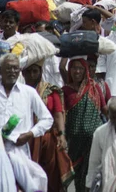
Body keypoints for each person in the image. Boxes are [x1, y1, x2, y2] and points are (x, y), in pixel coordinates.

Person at [0, 53, 53, 158]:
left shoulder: (29, 92)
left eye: (15, 68)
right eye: (8, 68)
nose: (12, 71)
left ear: (20, 71)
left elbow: (47, 119)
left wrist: (30, 134)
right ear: (0, 70)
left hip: (19, 151)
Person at [21, 56, 74, 191]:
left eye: (35, 71)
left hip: (47, 140)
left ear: (40, 72)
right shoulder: (19, 92)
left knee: (50, 177)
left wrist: (62, 135)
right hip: (25, 140)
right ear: (23, 73)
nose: (32, 75)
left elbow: (58, 114)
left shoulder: (50, 91)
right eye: (29, 72)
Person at [61, 56, 108, 192]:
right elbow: (61, 115)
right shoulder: (64, 90)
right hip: (74, 143)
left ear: (85, 70)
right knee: (76, 176)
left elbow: (104, 110)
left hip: (93, 141)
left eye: (80, 68)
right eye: (74, 68)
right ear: (69, 71)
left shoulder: (94, 87)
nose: (76, 71)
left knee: (91, 173)